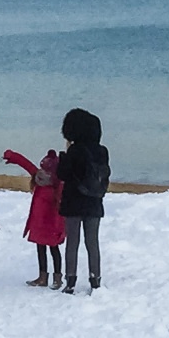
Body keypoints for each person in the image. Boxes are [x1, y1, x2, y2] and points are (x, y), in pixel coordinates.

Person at [56, 108, 110, 294]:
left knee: (73, 242)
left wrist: (64, 155)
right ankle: (95, 279)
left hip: (73, 201)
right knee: (92, 242)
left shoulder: (75, 151)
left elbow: (63, 174)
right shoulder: (102, 151)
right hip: (94, 200)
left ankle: (70, 281)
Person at [3, 148, 65, 289]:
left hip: (44, 223)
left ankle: (46, 277)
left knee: (45, 249)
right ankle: (55, 278)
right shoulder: (56, 184)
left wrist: (13, 156)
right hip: (47, 224)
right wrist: (13, 157)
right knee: (52, 250)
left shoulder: (43, 179)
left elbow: (27, 165)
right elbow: (27, 164)